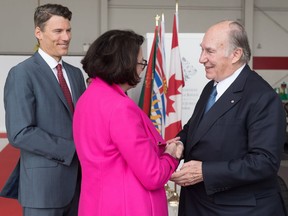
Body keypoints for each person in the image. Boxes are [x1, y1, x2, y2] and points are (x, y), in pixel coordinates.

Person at [170, 20, 287, 216]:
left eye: (209, 51)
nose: (201, 59)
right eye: (202, 50)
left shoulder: (262, 97)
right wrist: (181, 143)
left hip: (237, 209)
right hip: (200, 204)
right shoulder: (212, 87)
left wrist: (205, 172)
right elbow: (195, 128)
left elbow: (264, 162)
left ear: (236, 54)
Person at [73, 29, 183, 216]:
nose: (142, 68)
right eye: (141, 63)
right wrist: (171, 155)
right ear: (124, 64)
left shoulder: (87, 98)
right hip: (127, 206)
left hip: (96, 203)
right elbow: (153, 175)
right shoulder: (120, 107)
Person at [0, 4, 86, 216]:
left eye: (68, 30)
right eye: (58, 31)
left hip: (80, 186)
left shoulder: (76, 74)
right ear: (38, 32)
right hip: (42, 190)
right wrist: (72, 150)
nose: (66, 37)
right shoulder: (22, 74)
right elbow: (20, 133)